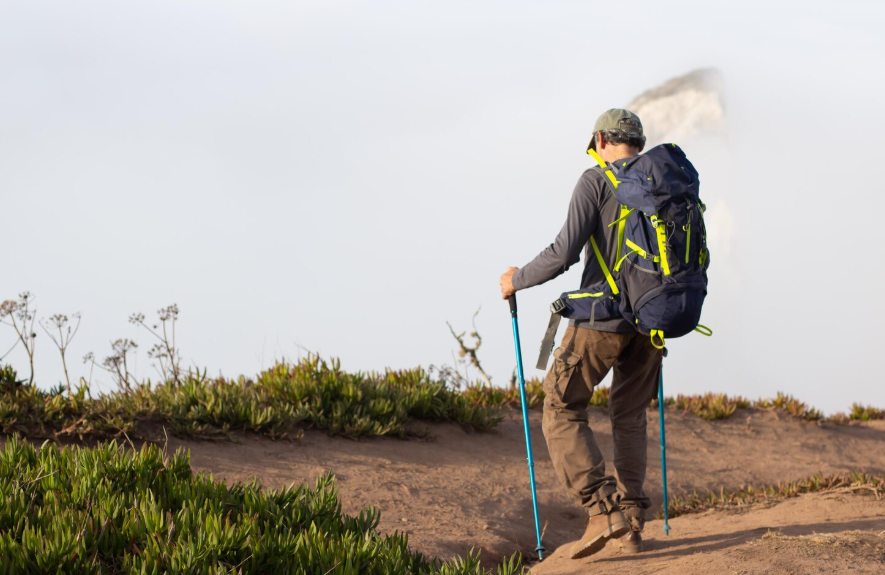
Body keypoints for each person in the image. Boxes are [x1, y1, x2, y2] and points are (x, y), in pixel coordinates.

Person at [499, 109, 662, 559]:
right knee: (629, 415)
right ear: (640, 144)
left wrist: (517, 279)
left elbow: (563, 252)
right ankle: (632, 524)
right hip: (652, 323)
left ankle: (601, 508)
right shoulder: (661, 182)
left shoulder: (596, 180)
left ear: (601, 139)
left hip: (601, 320)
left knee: (560, 404)